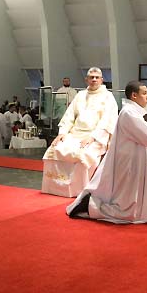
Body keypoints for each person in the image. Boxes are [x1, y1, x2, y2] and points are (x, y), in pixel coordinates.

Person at [67, 80, 147, 223]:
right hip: (128, 161)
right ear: (134, 95)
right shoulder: (129, 113)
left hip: (134, 157)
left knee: (129, 197)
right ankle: (91, 207)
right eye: (144, 93)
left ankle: (134, 212)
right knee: (125, 203)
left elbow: (146, 136)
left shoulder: (133, 112)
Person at [41, 67, 118, 197]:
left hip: (95, 135)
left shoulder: (108, 97)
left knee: (83, 153)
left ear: (102, 80)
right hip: (74, 134)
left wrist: (93, 137)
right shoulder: (80, 95)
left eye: (96, 77)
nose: (94, 79)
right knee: (55, 148)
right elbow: (69, 116)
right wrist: (62, 133)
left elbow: (107, 121)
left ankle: (78, 191)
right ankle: (55, 188)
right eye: (91, 77)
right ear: (86, 79)